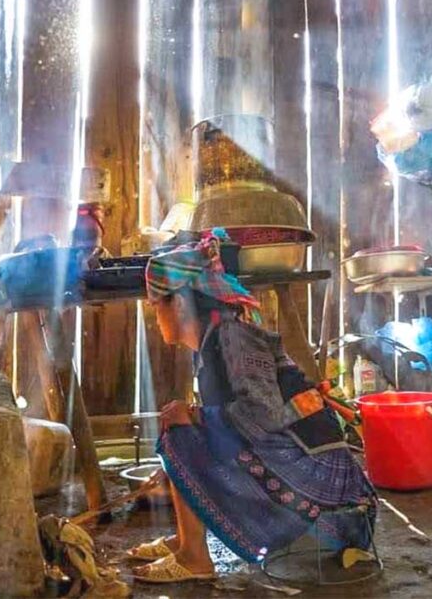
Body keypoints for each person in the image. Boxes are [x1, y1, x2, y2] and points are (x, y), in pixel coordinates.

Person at [131, 231, 377, 584]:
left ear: (181, 304)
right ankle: (185, 540)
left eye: (157, 307)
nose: (156, 319)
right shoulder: (217, 337)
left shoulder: (235, 337)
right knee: (184, 428)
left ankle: (194, 557)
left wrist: (195, 418)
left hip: (331, 495)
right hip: (316, 478)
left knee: (179, 436)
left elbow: (263, 416)